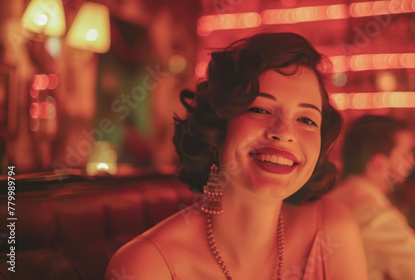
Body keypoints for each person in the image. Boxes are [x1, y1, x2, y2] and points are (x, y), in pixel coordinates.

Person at [106, 32, 368, 280]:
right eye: (260, 109)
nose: (284, 133)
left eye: (306, 119)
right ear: (217, 127)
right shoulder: (145, 267)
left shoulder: (333, 229)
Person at [324, 115, 415, 280]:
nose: (412, 161)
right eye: (406, 153)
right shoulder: (375, 216)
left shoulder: (329, 199)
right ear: (378, 162)